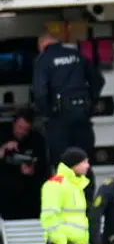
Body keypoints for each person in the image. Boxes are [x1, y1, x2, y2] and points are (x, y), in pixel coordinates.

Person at [32, 34, 104, 164]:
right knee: (84, 161)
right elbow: (98, 80)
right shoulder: (76, 55)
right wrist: (91, 103)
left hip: (60, 118)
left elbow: (40, 92)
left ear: (42, 46)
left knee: (62, 162)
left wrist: (48, 112)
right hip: (82, 114)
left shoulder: (43, 60)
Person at [0, 109, 48, 221]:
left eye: (26, 129)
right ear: (14, 124)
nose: (22, 131)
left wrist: (32, 171)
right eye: (19, 127)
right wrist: (3, 149)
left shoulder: (37, 140)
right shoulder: (2, 134)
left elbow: (42, 166)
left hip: (27, 192)